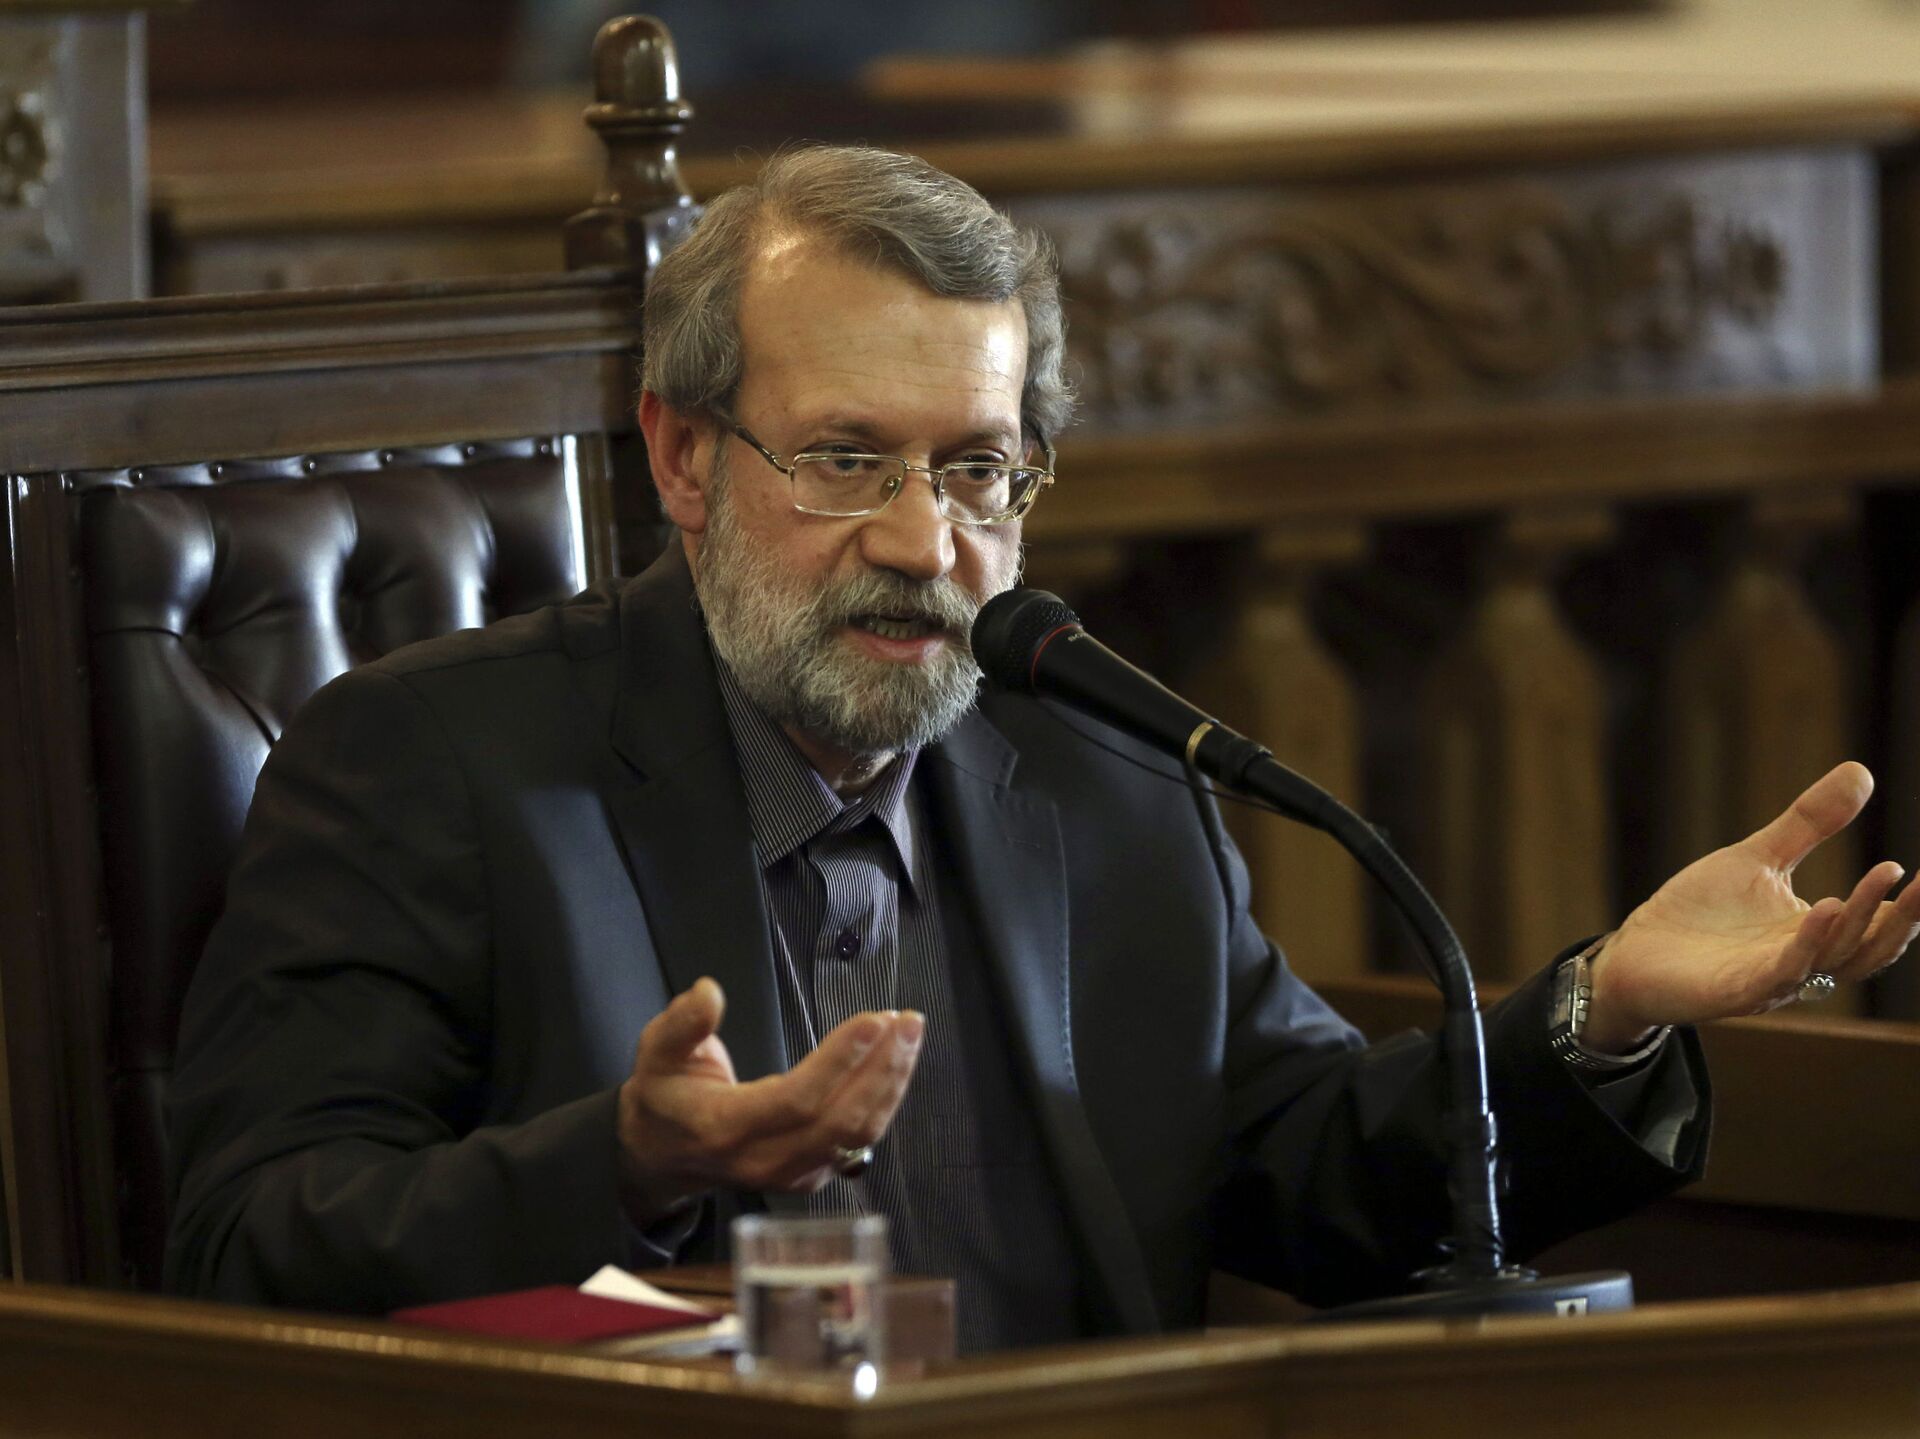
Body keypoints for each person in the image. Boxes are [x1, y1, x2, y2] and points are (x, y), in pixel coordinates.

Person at [165, 146, 1920, 1352]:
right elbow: (252, 1247)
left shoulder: (1100, 777)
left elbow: (1325, 1175)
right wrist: (631, 1162)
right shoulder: (431, 765)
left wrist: (1603, 1009)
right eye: (846, 460)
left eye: (979, 471)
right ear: (684, 459)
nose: (923, 542)